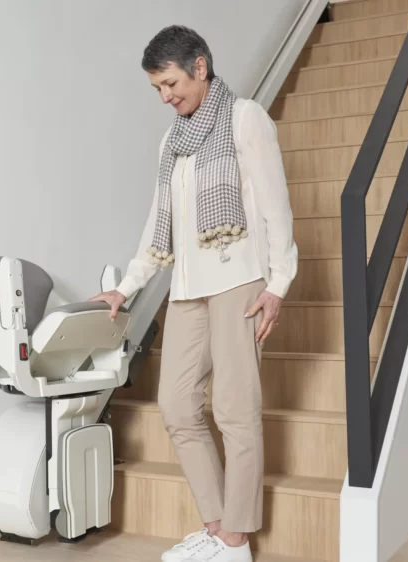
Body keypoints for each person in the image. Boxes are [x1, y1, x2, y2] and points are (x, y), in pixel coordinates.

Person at [89, 25, 298, 562]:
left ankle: (236, 540)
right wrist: (126, 287)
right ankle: (216, 526)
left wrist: (277, 285)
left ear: (200, 67)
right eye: (157, 88)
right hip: (186, 288)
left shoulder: (244, 118)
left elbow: (276, 206)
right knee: (178, 406)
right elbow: (161, 223)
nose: (166, 96)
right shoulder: (172, 141)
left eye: (171, 83)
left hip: (239, 282)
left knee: (235, 409)